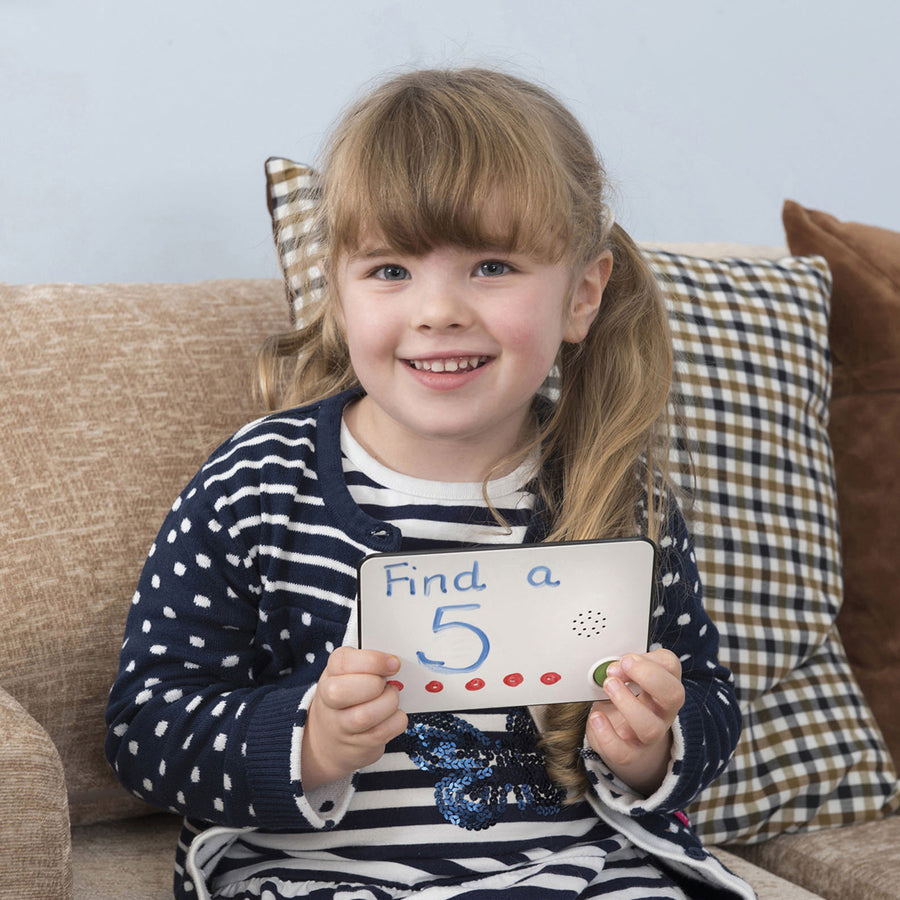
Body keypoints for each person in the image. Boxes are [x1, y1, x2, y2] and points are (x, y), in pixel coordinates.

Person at [105, 68, 753, 899]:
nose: (438, 309)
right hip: (319, 877)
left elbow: (707, 697)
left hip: (574, 874)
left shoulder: (621, 494)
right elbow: (145, 728)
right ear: (339, 292)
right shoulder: (256, 487)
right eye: (390, 270)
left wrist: (657, 741)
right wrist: (307, 738)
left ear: (583, 295)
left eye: (491, 265)